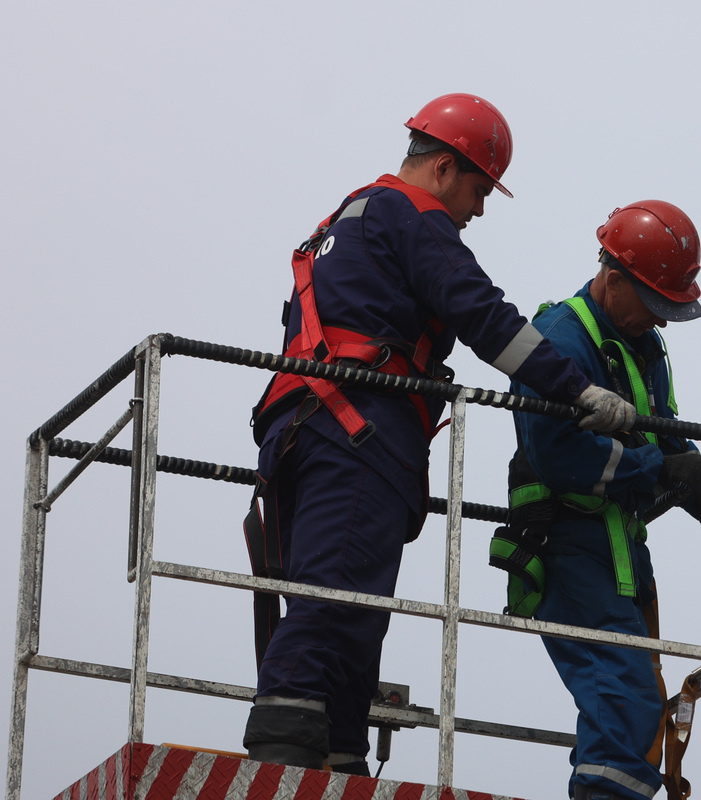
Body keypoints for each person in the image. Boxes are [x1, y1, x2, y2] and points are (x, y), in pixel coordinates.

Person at [241, 93, 636, 774]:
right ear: (445, 168)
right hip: (357, 429)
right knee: (336, 594)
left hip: (306, 427)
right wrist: (577, 390)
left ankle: (339, 753)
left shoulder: (348, 217)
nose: (478, 210)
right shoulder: (411, 215)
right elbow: (484, 317)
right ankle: (287, 742)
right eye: (479, 190)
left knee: (353, 599)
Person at [504, 201, 701, 800]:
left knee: (630, 700)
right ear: (614, 281)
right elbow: (557, 454)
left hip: (619, 551)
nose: (661, 319)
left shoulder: (641, 343)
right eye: (656, 304)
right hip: (567, 544)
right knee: (625, 697)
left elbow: (664, 438)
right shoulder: (559, 338)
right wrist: (662, 467)